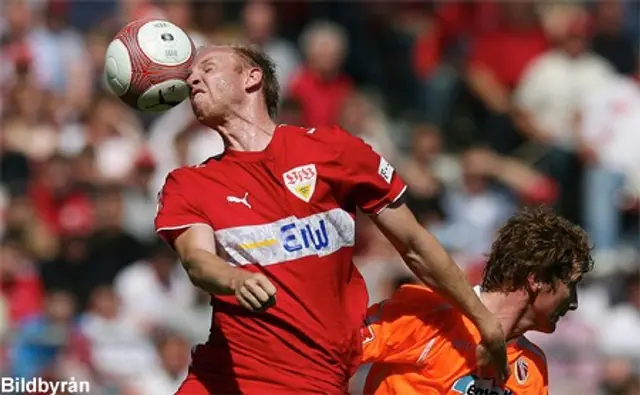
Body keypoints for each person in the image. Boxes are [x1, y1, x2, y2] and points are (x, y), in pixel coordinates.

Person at [154, 44, 507, 394]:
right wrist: (234, 279)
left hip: (315, 381)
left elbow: (415, 244)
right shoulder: (189, 184)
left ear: (252, 77)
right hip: (221, 380)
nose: (193, 81)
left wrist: (483, 319)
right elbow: (197, 261)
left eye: (209, 69)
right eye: (190, 77)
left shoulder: (334, 150)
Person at [360, 206, 594, 394]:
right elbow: (334, 348)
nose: (573, 302)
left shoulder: (532, 367)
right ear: (537, 279)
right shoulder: (427, 312)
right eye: (571, 285)